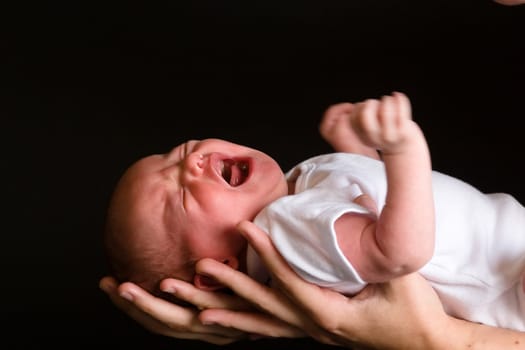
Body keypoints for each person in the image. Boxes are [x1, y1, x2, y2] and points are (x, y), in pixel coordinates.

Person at [104, 90, 525, 333]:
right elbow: (398, 253)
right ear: (217, 268)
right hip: (505, 287)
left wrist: (356, 151)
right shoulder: (285, 230)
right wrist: (404, 151)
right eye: (180, 196)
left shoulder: (293, 199)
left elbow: (373, 206)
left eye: (179, 153)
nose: (191, 162)